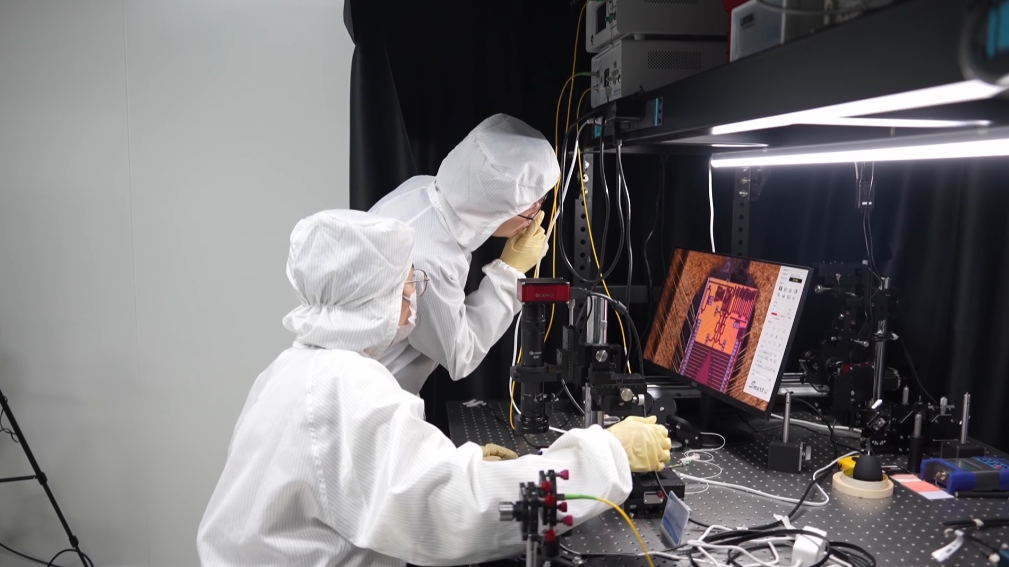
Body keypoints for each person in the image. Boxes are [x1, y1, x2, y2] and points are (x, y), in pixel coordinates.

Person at [196, 209, 672, 567]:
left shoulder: (294, 368)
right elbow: (462, 514)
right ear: (372, 297)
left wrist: (459, 461)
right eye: (408, 286)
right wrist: (608, 455)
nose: (414, 299)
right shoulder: (347, 387)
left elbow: (371, 481)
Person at [369, 113, 558, 395]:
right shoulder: (430, 259)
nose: (536, 213)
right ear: (493, 207)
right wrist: (509, 273)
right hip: (373, 399)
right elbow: (460, 355)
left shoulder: (425, 189)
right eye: (529, 207)